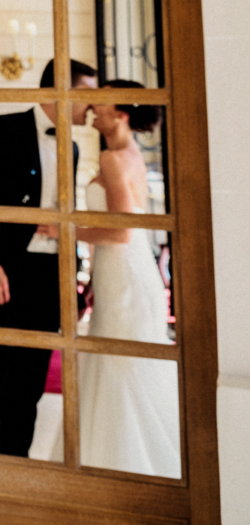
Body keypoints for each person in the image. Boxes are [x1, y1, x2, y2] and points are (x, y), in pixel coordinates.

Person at [0, 58, 99, 457]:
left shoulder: (74, 148)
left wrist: (74, 281)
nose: (92, 107)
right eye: (87, 96)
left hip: (49, 276)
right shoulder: (2, 130)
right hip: (4, 273)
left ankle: (15, 465)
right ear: (59, 89)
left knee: (30, 384)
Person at [54, 83, 180, 476]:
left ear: (122, 113)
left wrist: (62, 230)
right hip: (126, 275)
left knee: (121, 366)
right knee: (122, 364)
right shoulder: (130, 155)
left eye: (104, 98)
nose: (94, 104)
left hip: (126, 277)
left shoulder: (112, 158)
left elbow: (121, 232)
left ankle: (121, 466)